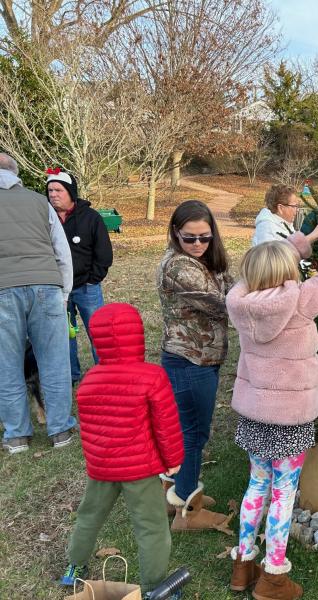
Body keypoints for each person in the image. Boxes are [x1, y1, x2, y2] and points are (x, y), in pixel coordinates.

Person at [226, 222, 318, 599]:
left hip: (253, 414)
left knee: (257, 484)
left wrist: (302, 242)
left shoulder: (240, 301)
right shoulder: (301, 299)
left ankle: (242, 564)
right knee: (284, 491)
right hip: (291, 417)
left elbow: (267, 266)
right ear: (289, 272)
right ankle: (272, 576)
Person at [60, 303, 184, 595]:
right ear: (138, 335)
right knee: (151, 526)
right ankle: (155, 586)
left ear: (96, 339)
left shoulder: (89, 380)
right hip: (139, 469)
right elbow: (165, 424)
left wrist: (96, 460)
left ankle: (74, 566)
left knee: (89, 515)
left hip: (101, 468)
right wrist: (173, 460)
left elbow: (89, 430)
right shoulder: (152, 377)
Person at [158, 199, 232, 530]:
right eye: (190, 238)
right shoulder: (180, 268)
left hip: (203, 359)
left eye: (205, 237)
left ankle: (176, 491)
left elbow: (232, 283)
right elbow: (225, 304)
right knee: (193, 434)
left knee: (190, 431)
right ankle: (188, 508)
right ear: (176, 233)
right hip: (190, 362)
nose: (199, 244)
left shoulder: (204, 261)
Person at [0, 153, 76, 454]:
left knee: (7, 365)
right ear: (16, 174)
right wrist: (64, 292)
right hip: (47, 285)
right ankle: (61, 431)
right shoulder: (40, 202)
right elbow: (62, 251)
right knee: (55, 362)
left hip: (3, 290)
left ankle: (17, 435)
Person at [46, 169, 113, 384]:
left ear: (70, 192)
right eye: (50, 190)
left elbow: (104, 252)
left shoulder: (91, 218)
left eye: (58, 190)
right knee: (65, 335)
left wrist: (94, 278)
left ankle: (105, 375)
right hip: (57, 289)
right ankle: (71, 375)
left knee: (98, 333)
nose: (53, 194)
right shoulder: (45, 217)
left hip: (87, 287)